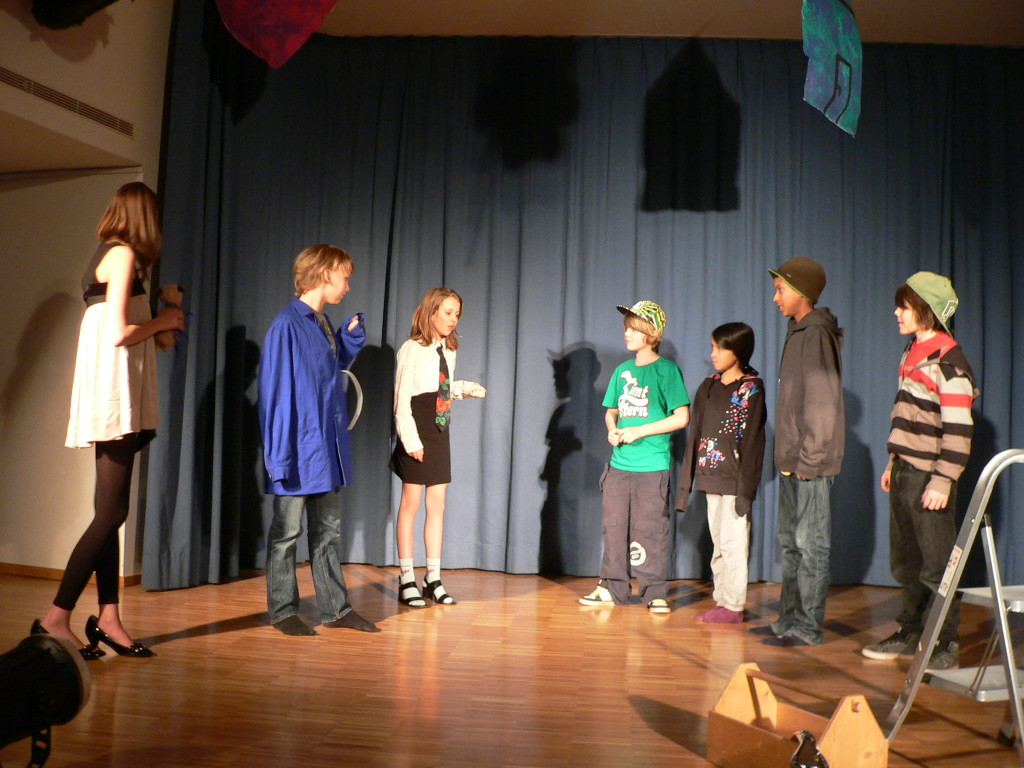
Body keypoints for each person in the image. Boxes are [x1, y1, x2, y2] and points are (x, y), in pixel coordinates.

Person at [33, 182, 185, 658]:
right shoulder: (120, 255)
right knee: (111, 513)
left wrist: (163, 313)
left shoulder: (120, 259)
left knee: (109, 510)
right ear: (145, 217)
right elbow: (120, 332)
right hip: (113, 393)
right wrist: (166, 319)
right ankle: (55, 617)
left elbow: (139, 333)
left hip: (119, 391)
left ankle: (109, 618)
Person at [259, 244, 379, 635]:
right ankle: (283, 611)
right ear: (326, 274)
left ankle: (336, 609)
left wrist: (347, 340)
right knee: (286, 535)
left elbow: (327, 372)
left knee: (327, 533)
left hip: (325, 449)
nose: (348, 286)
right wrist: (278, 457)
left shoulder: (322, 322)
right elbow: (276, 393)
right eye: (345, 277)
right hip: (298, 449)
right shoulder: (287, 324)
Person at [862, 272, 975, 670]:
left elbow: (959, 429)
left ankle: (945, 642)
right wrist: (893, 461)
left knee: (937, 564)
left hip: (931, 476)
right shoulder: (912, 351)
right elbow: (906, 414)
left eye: (905, 307)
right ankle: (911, 631)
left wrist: (943, 480)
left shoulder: (948, 361)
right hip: (906, 472)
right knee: (906, 562)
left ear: (926, 310)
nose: (897, 313)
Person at [753, 257, 844, 647]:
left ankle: (807, 627)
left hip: (811, 462)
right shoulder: (798, 332)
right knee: (791, 544)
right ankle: (788, 618)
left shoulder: (816, 334)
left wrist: (809, 457)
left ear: (802, 292)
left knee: (811, 545)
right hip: (792, 459)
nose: (775, 298)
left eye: (780, 290)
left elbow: (822, 403)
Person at [579, 300, 690, 614]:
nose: (626, 333)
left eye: (633, 328)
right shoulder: (622, 371)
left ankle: (654, 591)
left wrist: (639, 431)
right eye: (626, 327)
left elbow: (681, 417)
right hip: (619, 466)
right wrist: (613, 429)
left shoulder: (666, 371)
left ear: (651, 334)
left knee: (650, 529)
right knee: (613, 528)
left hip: (652, 467)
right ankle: (611, 587)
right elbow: (611, 411)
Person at [391, 288, 486, 608]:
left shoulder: (448, 349)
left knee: (438, 505)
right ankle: (406, 578)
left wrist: (464, 388)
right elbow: (403, 399)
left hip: (439, 428)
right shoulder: (412, 349)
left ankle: (433, 578)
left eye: (457, 314)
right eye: (447, 313)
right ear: (431, 312)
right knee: (411, 503)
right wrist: (411, 440)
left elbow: (440, 390)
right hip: (416, 428)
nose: (453, 319)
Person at [677, 322, 766, 624]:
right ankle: (722, 602)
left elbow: (754, 443)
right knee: (719, 544)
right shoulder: (708, 387)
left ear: (737, 351)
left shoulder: (751, 389)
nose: (713, 354)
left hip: (735, 481)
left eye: (719, 348)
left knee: (733, 544)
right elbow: (695, 436)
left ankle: (733, 605)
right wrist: (685, 485)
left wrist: (746, 491)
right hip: (710, 477)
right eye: (712, 347)